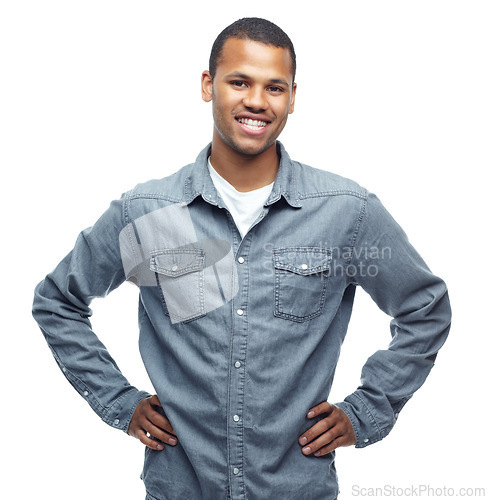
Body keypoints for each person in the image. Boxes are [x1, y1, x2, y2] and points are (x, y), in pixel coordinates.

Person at [32, 17, 451, 500]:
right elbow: (58, 301)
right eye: (239, 81)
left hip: (297, 489)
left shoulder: (347, 213)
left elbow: (425, 308)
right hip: (180, 488)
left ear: (293, 97)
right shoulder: (147, 213)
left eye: (274, 87)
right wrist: (118, 403)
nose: (256, 100)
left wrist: (366, 412)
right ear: (209, 86)